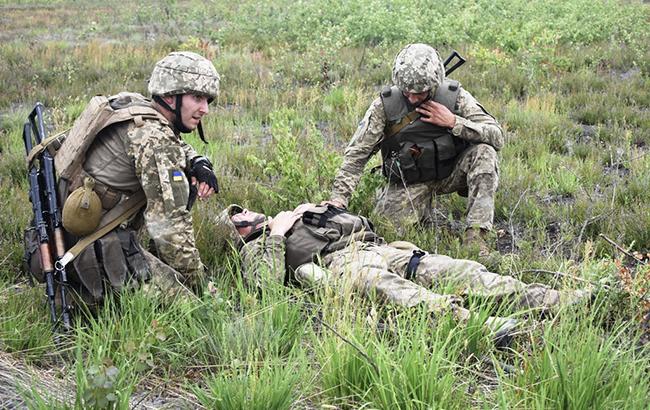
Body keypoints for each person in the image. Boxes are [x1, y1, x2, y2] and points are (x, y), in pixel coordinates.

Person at [215, 203, 589, 346]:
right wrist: (277, 234)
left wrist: (313, 210)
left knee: (462, 271)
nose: (247, 213)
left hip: (383, 248)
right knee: (396, 292)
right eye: (239, 218)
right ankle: (488, 326)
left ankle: (559, 301)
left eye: (244, 209)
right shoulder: (257, 248)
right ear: (237, 233)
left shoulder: (296, 213)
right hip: (341, 265)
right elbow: (263, 287)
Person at [52, 51, 220, 306]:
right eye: (197, 97)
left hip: (73, 232)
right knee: (195, 312)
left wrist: (197, 161)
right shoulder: (155, 140)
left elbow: (170, 143)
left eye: (207, 100)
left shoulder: (134, 107)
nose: (204, 109)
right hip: (92, 248)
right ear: (169, 96)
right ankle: (87, 295)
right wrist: (201, 285)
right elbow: (171, 230)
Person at [328, 43, 503, 255]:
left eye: (419, 93)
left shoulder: (455, 97)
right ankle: (423, 214)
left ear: (434, 83)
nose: (412, 98)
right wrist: (339, 198)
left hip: (449, 173)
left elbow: (497, 136)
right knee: (387, 233)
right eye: (406, 92)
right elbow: (357, 155)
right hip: (408, 181)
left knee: (485, 152)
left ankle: (476, 239)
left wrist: (453, 122)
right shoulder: (385, 106)